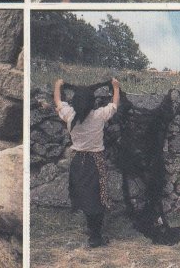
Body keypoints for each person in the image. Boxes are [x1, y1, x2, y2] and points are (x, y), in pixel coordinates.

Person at [53, 77, 120, 248]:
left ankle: (93, 231)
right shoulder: (99, 116)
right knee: (97, 197)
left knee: (86, 196)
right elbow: (114, 104)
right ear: (92, 102)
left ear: (74, 102)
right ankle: (95, 235)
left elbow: (58, 101)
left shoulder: (69, 115)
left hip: (78, 161)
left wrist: (58, 85)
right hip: (95, 161)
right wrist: (115, 87)